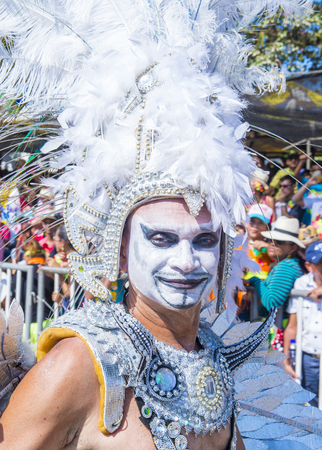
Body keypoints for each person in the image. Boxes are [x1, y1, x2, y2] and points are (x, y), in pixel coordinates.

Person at [0, 1, 321, 449]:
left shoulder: (215, 359)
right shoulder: (78, 366)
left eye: (205, 240)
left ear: (226, 251)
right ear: (120, 245)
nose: (186, 261)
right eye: (161, 238)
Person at [284, 241, 322, 408]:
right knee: (312, 406)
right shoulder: (301, 284)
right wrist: (287, 360)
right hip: (309, 357)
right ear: (309, 266)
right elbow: (292, 327)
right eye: (321, 263)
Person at [248, 216, 305, 316]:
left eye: (280, 241)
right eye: (270, 239)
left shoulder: (286, 266)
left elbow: (272, 303)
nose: (272, 244)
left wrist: (255, 280)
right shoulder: (290, 263)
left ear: (292, 248)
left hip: (279, 328)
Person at [245, 204, 273, 279]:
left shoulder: (273, 247)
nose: (255, 225)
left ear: (267, 227)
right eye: (252, 221)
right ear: (246, 223)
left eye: (260, 222)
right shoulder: (237, 244)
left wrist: (268, 247)